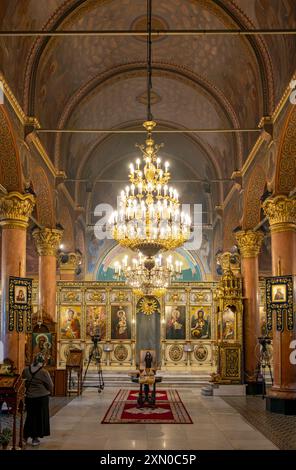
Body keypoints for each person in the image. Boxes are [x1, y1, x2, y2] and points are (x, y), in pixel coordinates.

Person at [22, 354, 53, 446]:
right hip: (42, 398)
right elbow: (51, 385)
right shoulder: (44, 372)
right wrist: (48, 391)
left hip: (29, 397)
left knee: (30, 417)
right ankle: (35, 439)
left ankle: (25, 437)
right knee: (39, 418)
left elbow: (23, 382)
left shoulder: (26, 370)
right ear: (43, 362)